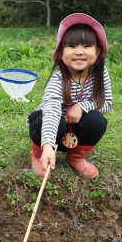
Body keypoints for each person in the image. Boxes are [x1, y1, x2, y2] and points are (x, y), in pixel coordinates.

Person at [27, 13, 112, 179]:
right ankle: (38, 155)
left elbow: (106, 102)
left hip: (75, 131)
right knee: (50, 118)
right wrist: (48, 146)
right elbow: (51, 111)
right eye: (71, 46)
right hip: (51, 128)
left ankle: (75, 157)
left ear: (97, 51)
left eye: (87, 46)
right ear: (60, 52)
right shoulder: (58, 79)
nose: (79, 52)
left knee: (97, 120)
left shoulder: (101, 74)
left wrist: (82, 106)